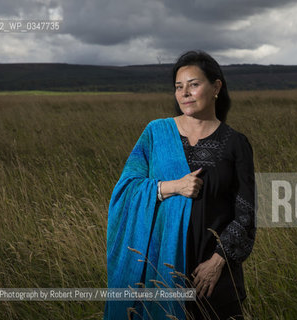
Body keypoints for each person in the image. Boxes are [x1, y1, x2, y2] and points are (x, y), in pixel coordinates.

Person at [104, 50, 256, 320]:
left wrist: (217, 263)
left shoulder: (236, 143)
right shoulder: (156, 133)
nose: (185, 92)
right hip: (159, 268)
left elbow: (245, 215)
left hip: (212, 278)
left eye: (194, 84)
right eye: (178, 86)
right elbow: (125, 191)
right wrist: (174, 187)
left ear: (216, 87)